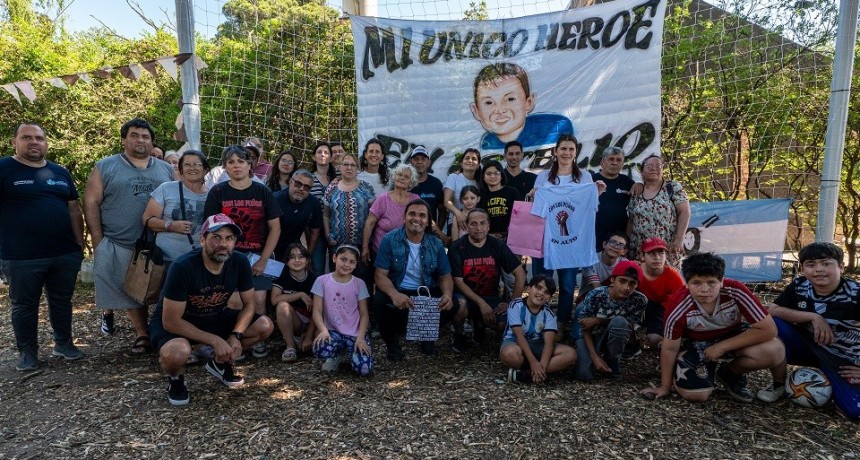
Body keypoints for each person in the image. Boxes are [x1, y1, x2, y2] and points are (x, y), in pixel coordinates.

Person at [149, 213, 274, 406]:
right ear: (202, 239)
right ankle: (175, 379)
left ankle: (220, 364)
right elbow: (170, 321)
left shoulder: (239, 262)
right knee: (176, 353)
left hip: (214, 315)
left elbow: (249, 304)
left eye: (229, 238)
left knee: (264, 325)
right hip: (178, 323)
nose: (223, 244)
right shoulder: (182, 267)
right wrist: (214, 340)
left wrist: (236, 335)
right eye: (216, 237)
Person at [640, 253, 785, 403]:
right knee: (697, 395)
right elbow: (669, 348)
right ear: (686, 283)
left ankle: (729, 373)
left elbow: (768, 329)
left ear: (722, 281)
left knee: (775, 350)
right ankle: (683, 367)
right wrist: (665, 386)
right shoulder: (678, 304)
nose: (704, 289)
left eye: (711, 283)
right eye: (696, 283)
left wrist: (721, 347)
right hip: (695, 343)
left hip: (731, 335)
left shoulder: (736, 291)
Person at [84, 118, 174, 353]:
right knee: (132, 291)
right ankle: (142, 334)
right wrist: (97, 238)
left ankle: (165, 332)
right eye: (134, 135)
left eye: (145, 136)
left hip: (161, 241)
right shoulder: (105, 166)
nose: (140, 140)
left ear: (152, 141)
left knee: (164, 289)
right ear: (124, 139)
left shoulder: (165, 168)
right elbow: (91, 202)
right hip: (121, 241)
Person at [1, 123, 85, 371]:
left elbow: (74, 209)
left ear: (46, 143)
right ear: (14, 142)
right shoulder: (4, 168)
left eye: (39, 138)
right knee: (24, 305)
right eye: (27, 137)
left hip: (63, 252)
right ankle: (28, 353)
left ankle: (64, 343)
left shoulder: (59, 172)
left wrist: (78, 244)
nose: (34, 142)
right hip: (20, 255)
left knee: (62, 300)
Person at [755, 243, 860, 421]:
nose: (818, 269)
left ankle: (831, 381)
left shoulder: (855, 294)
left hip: (844, 361)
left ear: (841, 267)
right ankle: (779, 383)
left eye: (826, 264)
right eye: (811, 264)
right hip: (809, 346)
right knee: (772, 324)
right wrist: (813, 317)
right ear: (803, 268)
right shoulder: (799, 285)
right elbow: (772, 310)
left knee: (855, 411)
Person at [203, 145, 282, 358]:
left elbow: (275, 227)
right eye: (231, 162)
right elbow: (209, 229)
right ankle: (231, 343)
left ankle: (253, 342)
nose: (236, 165)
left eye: (241, 161)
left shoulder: (263, 191)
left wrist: (264, 260)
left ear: (250, 165)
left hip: (258, 255)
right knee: (234, 302)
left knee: (257, 302)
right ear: (225, 167)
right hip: (228, 257)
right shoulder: (218, 192)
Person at [528, 134, 605, 334]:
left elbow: (588, 209)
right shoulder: (543, 177)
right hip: (545, 239)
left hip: (571, 242)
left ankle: (561, 323)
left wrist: (597, 193)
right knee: (541, 282)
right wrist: (534, 195)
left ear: (576, 152)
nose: (567, 153)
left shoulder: (585, 177)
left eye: (571, 149)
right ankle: (538, 320)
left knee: (568, 285)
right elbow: (536, 209)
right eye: (563, 148)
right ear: (555, 151)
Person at [373, 199, 467, 360]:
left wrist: (447, 295)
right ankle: (392, 344)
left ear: (427, 221)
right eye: (412, 214)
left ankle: (427, 336)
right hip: (399, 288)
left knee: (454, 303)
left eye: (422, 215)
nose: (416, 218)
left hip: (426, 289)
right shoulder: (389, 239)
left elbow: (445, 276)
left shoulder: (435, 243)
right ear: (404, 217)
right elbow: (380, 275)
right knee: (378, 301)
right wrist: (394, 294)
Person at [449, 209, 526, 348]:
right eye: (473, 224)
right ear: (466, 226)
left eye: (482, 223)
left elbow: (520, 273)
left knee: (502, 323)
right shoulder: (457, 247)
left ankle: (479, 324)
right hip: (465, 296)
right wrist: (481, 303)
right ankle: (459, 334)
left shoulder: (497, 244)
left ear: (488, 225)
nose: (478, 228)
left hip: (491, 296)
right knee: (459, 306)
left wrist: (512, 303)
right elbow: (458, 281)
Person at [471, 62, 573, 152]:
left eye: (510, 99)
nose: (500, 110)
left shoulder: (555, 126)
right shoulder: (488, 142)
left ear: (528, 102)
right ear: (476, 111)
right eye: (489, 102)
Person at [574, 261, 647, 381]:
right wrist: (594, 357)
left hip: (616, 336)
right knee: (584, 375)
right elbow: (585, 328)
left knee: (620, 322)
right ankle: (596, 358)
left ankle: (613, 360)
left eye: (632, 284)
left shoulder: (639, 300)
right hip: (591, 336)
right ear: (612, 280)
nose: (626, 288)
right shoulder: (596, 295)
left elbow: (629, 326)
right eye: (622, 281)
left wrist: (598, 320)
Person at [312, 245, 374, 375]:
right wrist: (323, 330)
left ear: (356, 264)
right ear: (334, 258)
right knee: (321, 348)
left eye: (352, 262)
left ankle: (353, 353)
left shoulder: (359, 284)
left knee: (364, 370)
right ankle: (336, 354)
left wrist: (361, 337)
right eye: (343, 259)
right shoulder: (321, 281)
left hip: (355, 333)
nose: (347, 264)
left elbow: (364, 314)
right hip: (334, 332)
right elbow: (317, 310)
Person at [500, 275, 575, 384]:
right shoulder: (516, 305)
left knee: (570, 354)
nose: (541, 293)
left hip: (538, 345)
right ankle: (533, 370)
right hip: (514, 342)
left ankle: (526, 374)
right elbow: (519, 336)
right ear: (529, 289)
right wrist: (533, 362)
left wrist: (542, 366)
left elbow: (549, 344)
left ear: (549, 297)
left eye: (546, 292)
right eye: (538, 288)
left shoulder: (549, 314)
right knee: (510, 354)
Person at [142, 150, 210, 263]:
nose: (192, 168)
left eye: (197, 164)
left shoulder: (213, 195)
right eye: (187, 164)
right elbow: (147, 219)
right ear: (181, 170)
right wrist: (171, 225)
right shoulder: (166, 189)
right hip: (165, 260)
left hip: (199, 262)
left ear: (205, 169)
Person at [626, 154, 691, 267]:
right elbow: (631, 220)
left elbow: (684, 212)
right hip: (639, 251)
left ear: (663, 170)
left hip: (667, 249)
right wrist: (626, 245)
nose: (654, 168)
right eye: (649, 166)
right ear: (642, 172)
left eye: (658, 165)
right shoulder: (637, 192)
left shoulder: (672, 187)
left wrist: (679, 239)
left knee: (668, 281)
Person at [361, 163, 419, 264]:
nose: (402, 178)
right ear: (394, 177)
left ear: (411, 182)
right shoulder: (383, 199)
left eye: (406, 177)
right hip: (381, 253)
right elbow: (369, 223)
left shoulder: (415, 200)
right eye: (399, 175)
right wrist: (365, 247)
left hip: (407, 254)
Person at [636, 237, 685, 350]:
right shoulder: (635, 270)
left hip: (661, 309)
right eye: (651, 253)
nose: (657, 258)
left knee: (654, 340)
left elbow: (681, 303)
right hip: (638, 305)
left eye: (661, 253)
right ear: (643, 256)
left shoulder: (673, 275)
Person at [272, 243, 318, 362]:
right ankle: (290, 346)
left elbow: (318, 310)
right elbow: (274, 300)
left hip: (313, 321)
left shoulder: (315, 279)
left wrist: (308, 336)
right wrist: (300, 294)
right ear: (287, 261)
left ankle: (304, 339)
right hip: (294, 321)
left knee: (320, 344)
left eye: (301, 256)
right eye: (292, 257)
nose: (297, 260)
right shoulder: (282, 277)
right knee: (282, 305)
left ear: (307, 260)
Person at [323, 153, 375, 254]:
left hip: (362, 244)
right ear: (340, 167)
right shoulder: (331, 188)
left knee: (361, 270)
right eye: (346, 164)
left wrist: (367, 242)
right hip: (337, 244)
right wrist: (328, 235)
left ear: (357, 169)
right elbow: (326, 215)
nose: (349, 168)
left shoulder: (366, 188)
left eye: (353, 165)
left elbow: (373, 217)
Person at [591, 146, 635, 252]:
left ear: (622, 164)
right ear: (602, 162)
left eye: (618, 160)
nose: (614, 163)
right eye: (611, 159)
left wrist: (639, 185)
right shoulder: (591, 181)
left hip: (618, 240)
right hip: (593, 237)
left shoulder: (628, 182)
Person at [273, 169, 322, 261]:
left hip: (293, 248)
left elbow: (315, 232)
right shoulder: (275, 200)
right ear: (291, 182)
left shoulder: (314, 203)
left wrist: (308, 255)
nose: (301, 189)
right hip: (270, 246)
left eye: (307, 187)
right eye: (298, 184)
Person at [308, 142, 335, 274]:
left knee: (335, 264)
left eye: (326, 152)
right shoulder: (308, 179)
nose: (322, 155)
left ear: (330, 157)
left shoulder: (337, 179)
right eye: (319, 152)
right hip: (315, 228)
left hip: (335, 228)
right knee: (317, 266)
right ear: (314, 157)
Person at [479, 160, 521, 240]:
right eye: (488, 174)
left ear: (501, 175)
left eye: (496, 173)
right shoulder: (481, 195)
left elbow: (520, 216)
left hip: (511, 238)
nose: (492, 176)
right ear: (483, 177)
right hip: (488, 239)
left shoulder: (512, 192)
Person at [579, 231, 630, 298]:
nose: (615, 246)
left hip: (613, 298)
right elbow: (596, 287)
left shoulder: (625, 263)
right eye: (612, 242)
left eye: (620, 245)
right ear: (604, 244)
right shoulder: (591, 260)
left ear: (624, 251)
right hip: (587, 299)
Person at [443, 148, 481, 234]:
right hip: (456, 222)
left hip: (476, 225)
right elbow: (446, 201)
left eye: (474, 159)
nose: (470, 161)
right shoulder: (453, 177)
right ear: (461, 162)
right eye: (467, 158)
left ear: (478, 165)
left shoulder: (481, 182)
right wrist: (458, 214)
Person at [408, 145, 446, 228]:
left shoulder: (436, 184)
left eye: (423, 159)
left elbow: (442, 211)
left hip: (429, 233)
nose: (420, 162)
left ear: (429, 162)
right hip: (408, 232)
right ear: (411, 162)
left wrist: (437, 232)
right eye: (416, 159)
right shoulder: (405, 183)